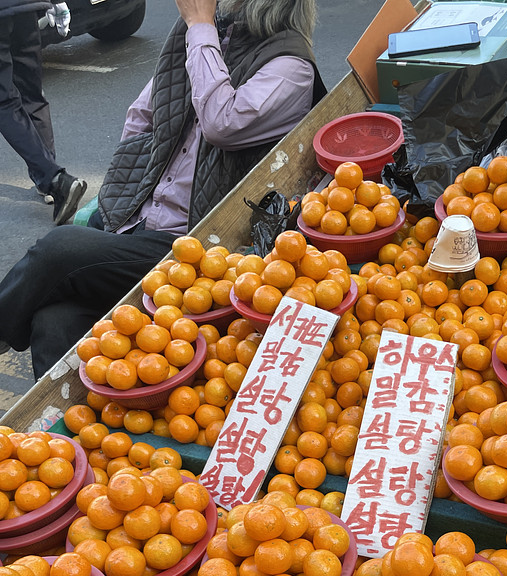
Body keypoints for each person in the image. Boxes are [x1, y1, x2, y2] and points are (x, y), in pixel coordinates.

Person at [0, 0, 325, 378]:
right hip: (139, 226)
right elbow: (144, 113)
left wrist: (200, 26)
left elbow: (222, 123)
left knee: (58, 248)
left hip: (197, 247)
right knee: (54, 321)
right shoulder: (210, 36)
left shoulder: (290, 66)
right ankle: (69, 433)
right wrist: (128, 187)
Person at [0, 0, 87, 223]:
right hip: (26, 8)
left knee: (4, 103)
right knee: (32, 94)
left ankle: (54, 179)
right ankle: (47, 178)